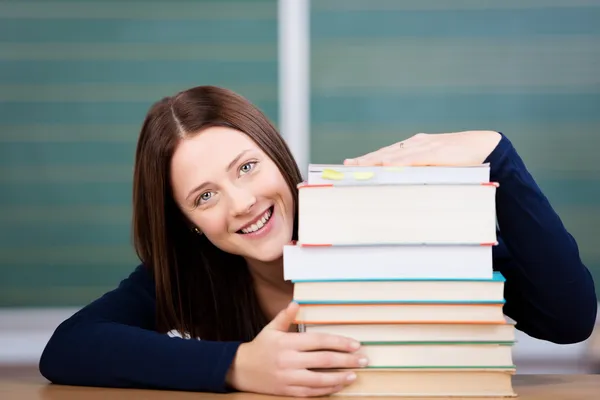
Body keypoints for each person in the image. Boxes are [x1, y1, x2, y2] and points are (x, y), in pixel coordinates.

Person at [39, 85, 597, 397]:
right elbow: (67, 347)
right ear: (187, 221)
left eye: (247, 167)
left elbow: (568, 320)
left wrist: (500, 155)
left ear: (278, 157)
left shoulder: (383, 225)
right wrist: (237, 366)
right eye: (203, 197)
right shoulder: (190, 271)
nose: (241, 203)